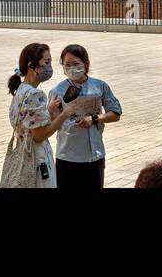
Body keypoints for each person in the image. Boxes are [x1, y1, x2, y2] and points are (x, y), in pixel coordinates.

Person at [3, 43, 80, 188]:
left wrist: (48, 112)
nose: (49, 68)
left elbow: (28, 123)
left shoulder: (20, 89)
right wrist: (65, 114)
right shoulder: (35, 94)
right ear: (32, 66)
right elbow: (39, 136)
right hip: (37, 158)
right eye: (46, 62)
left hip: (22, 150)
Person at [48, 43, 122, 188]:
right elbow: (50, 125)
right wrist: (51, 111)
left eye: (75, 64)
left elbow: (115, 113)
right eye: (67, 64)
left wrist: (94, 118)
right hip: (67, 156)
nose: (71, 68)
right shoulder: (57, 91)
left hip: (95, 155)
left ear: (86, 64)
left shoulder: (100, 86)